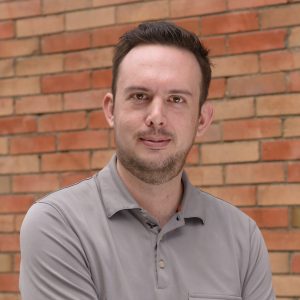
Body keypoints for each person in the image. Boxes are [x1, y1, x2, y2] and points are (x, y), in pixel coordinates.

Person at [19, 21, 275, 300]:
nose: (156, 116)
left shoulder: (243, 237)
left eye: (176, 99)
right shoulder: (58, 225)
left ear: (201, 119)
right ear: (111, 109)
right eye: (140, 96)